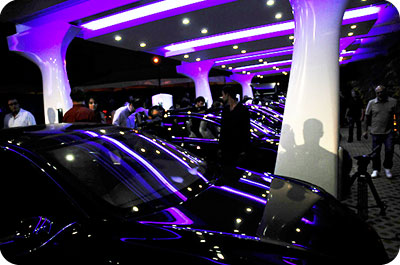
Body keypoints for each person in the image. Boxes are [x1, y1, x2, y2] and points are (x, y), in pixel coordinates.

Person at [364, 85, 399, 178]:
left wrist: (396, 129)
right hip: (376, 131)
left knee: (389, 150)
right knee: (375, 152)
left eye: (381, 92)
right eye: (377, 92)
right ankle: (376, 169)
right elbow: (367, 117)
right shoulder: (372, 103)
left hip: (389, 131)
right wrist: (365, 130)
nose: (380, 94)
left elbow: (396, 117)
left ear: (385, 92)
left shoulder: (393, 102)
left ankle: (387, 168)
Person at [219, 85, 251, 182]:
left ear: (228, 95)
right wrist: (220, 146)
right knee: (226, 173)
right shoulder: (225, 110)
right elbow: (223, 130)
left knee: (236, 175)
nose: (222, 97)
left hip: (237, 148)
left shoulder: (243, 110)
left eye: (223, 95)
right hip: (226, 148)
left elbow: (246, 130)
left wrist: (244, 149)